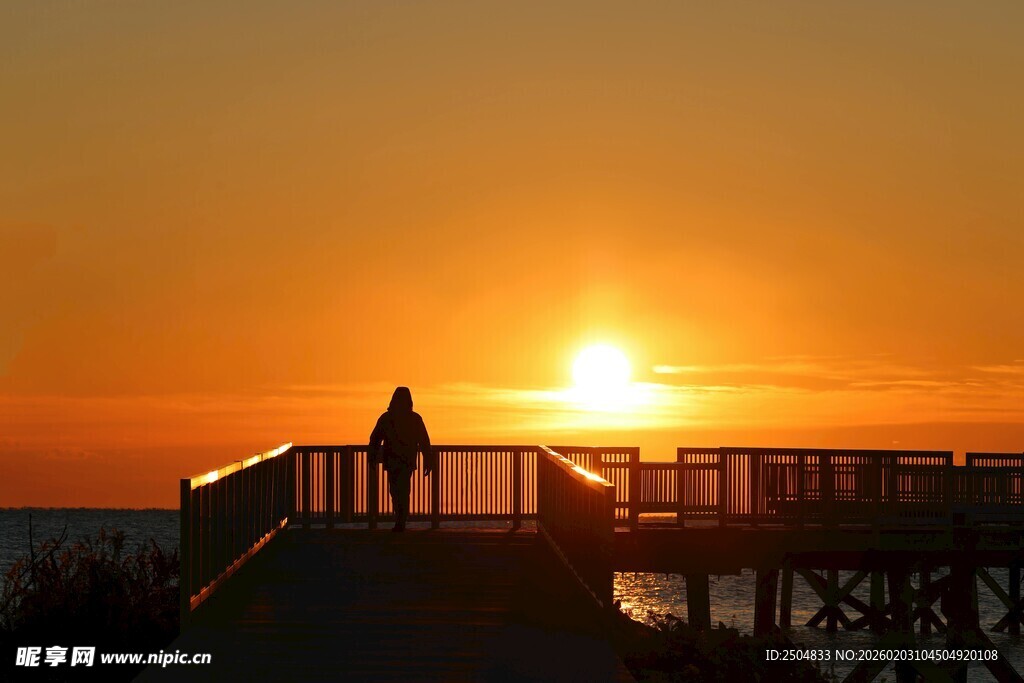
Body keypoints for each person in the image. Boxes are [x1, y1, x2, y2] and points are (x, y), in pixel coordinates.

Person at [368, 387, 433, 532]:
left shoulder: (387, 417)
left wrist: (372, 457)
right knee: (403, 491)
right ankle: (401, 520)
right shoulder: (414, 418)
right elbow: (424, 441)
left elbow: (374, 439)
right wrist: (428, 460)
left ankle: (400, 520)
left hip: (393, 460)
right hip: (406, 460)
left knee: (395, 491)